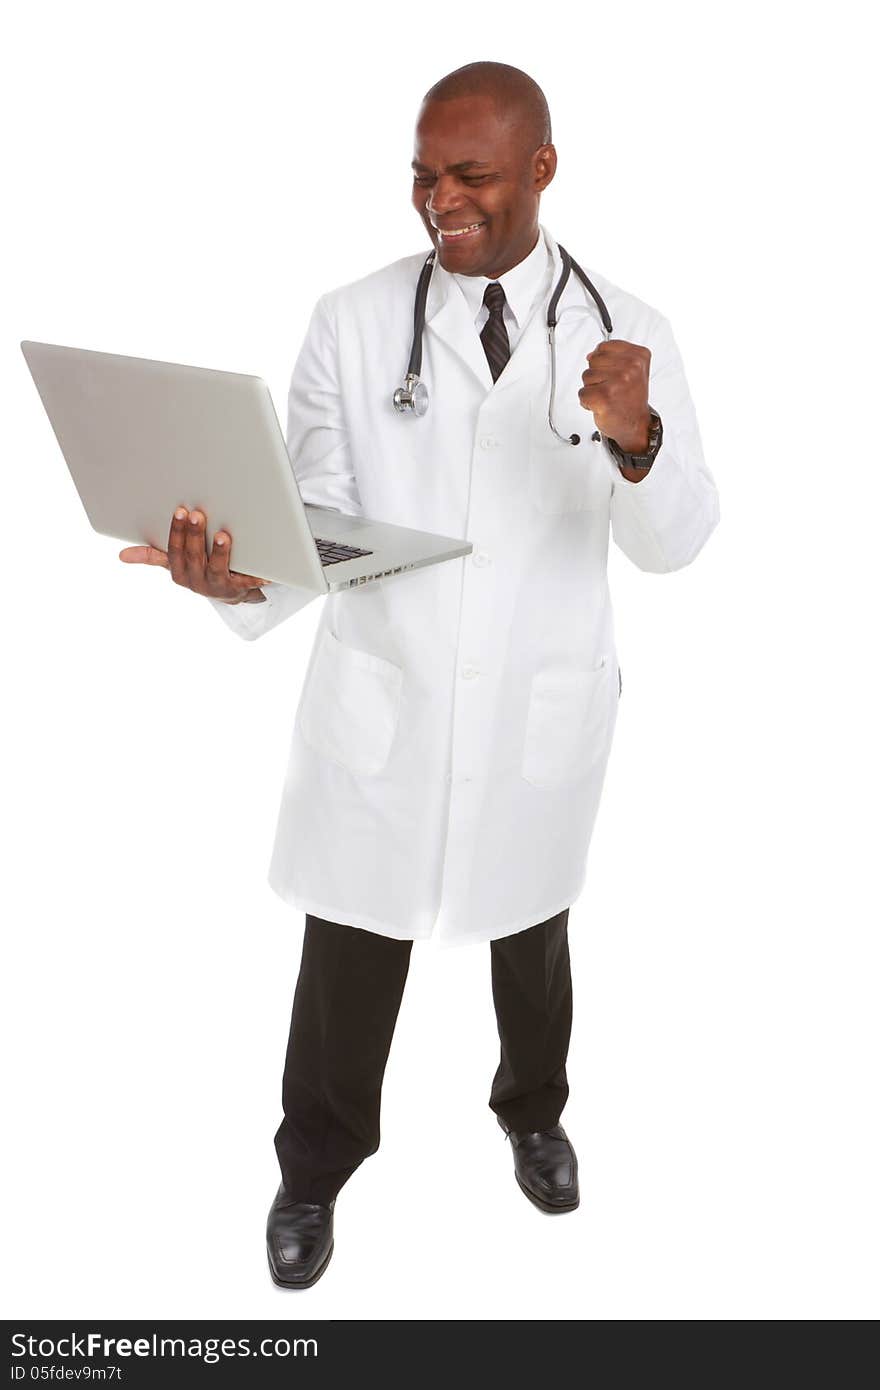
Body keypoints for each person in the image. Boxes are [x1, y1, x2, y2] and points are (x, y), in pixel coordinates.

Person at [120, 61, 720, 1289]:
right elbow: (313, 521)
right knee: (348, 940)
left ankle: (533, 1110)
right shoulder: (351, 320)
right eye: (422, 174)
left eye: (470, 174)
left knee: (531, 924)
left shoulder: (631, 333)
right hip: (384, 695)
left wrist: (638, 441)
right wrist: (237, 581)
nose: (437, 199)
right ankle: (314, 1164)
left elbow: (681, 542)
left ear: (541, 170)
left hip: (537, 700)